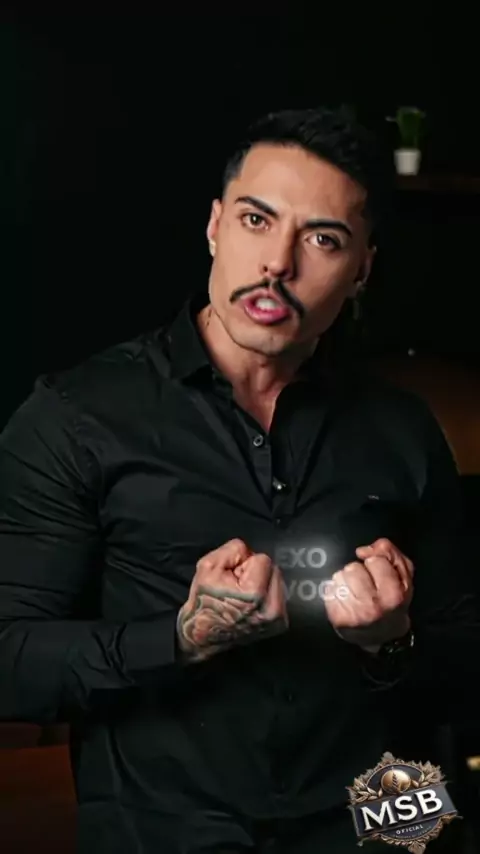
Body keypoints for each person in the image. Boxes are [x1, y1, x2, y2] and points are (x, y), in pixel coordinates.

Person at [0, 106, 478, 853]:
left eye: (322, 239)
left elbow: (466, 654)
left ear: (361, 270)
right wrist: (180, 638)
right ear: (216, 226)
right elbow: (9, 661)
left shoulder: (402, 427)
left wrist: (393, 640)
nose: (277, 264)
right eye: (257, 220)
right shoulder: (75, 417)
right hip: (167, 830)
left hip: (376, 820)